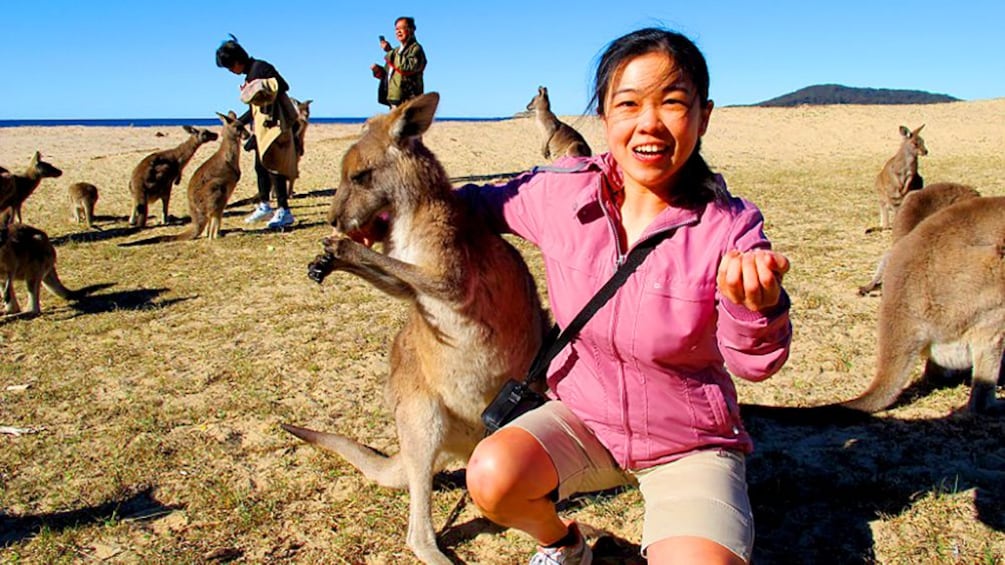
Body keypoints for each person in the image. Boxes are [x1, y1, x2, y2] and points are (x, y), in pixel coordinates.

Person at [461, 28, 792, 565]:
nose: (649, 124)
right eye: (629, 104)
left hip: (688, 442)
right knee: (493, 476)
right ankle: (565, 547)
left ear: (704, 116)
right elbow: (481, 203)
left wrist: (756, 307)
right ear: (605, 118)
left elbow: (754, 367)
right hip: (583, 417)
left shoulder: (730, 226)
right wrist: (390, 215)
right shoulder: (561, 194)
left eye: (673, 103)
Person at [215, 35, 297, 229]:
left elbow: (283, 87)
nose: (230, 71)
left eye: (229, 67)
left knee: (274, 168)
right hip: (262, 128)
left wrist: (260, 87)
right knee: (261, 167)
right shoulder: (251, 73)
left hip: (274, 127)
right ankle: (264, 205)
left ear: (237, 61)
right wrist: (239, 123)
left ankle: (284, 211)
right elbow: (255, 109)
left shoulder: (260, 68)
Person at [370, 17, 426, 108]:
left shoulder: (416, 49)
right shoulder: (396, 51)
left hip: (408, 102)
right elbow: (388, 74)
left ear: (411, 29)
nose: (398, 31)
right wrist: (377, 70)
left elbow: (406, 67)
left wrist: (389, 51)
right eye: (396, 29)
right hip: (394, 101)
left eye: (402, 28)